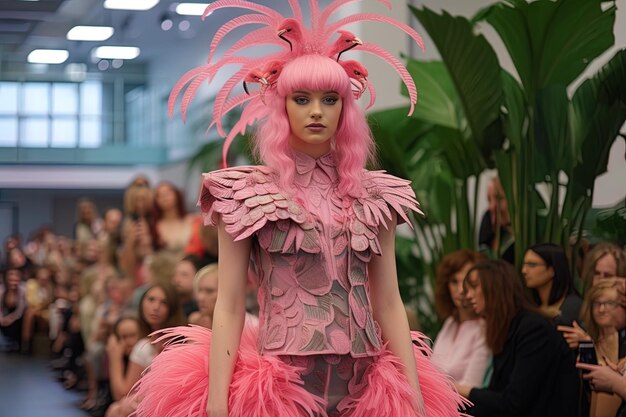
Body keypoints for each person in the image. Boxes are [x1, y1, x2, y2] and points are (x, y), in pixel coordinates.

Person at [132, 2, 465, 417]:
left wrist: (414, 398)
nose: (315, 111)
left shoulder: (374, 195)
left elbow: (389, 302)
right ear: (281, 105)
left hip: (365, 386)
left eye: (330, 99)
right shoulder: (245, 192)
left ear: (345, 108)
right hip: (280, 386)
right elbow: (230, 304)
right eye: (301, 98)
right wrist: (218, 404)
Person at [459, 260, 580, 417]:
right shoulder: (507, 328)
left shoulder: (533, 329)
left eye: (474, 287)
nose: (468, 296)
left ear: (495, 287)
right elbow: (498, 394)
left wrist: (461, 390)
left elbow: (513, 402)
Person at [431, 249, 490, 387]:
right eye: (454, 281)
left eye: (468, 281)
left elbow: (472, 387)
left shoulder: (484, 327)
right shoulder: (450, 322)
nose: (461, 289)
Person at [578, 281, 626, 417]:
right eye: (597, 304)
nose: (602, 309)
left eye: (610, 304)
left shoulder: (621, 341)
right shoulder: (588, 339)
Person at [522, 243, 582, 327]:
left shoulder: (573, 307)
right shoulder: (528, 303)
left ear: (552, 270)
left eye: (532, 265)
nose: (524, 271)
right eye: (524, 264)